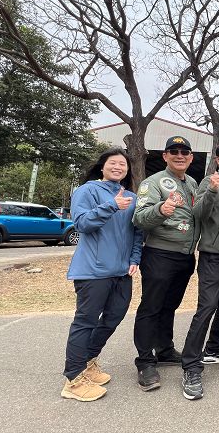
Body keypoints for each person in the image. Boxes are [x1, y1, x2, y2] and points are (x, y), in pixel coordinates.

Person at [61, 147, 142, 402]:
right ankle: (73, 379)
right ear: (102, 166)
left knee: (113, 317)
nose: (118, 167)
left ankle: (88, 362)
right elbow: (82, 223)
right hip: (93, 271)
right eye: (113, 163)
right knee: (85, 321)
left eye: (123, 165)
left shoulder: (131, 196)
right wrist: (111, 206)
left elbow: (136, 232)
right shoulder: (87, 190)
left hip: (122, 271)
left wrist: (134, 258)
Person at [132, 136, 199, 391]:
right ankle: (145, 362)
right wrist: (161, 209)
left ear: (191, 157)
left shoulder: (192, 183)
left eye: (184, 151)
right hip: (160, 254)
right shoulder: (153, 183)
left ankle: (165, 349)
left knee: (169, 306)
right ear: (165, 156)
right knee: (151, 307)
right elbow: (139, 219)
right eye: (174, 151)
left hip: (185, 257)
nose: (179, 155)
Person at [180, 139, 219, 400]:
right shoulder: (211, 181)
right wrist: (212, 191)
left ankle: (214, 347)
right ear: (217, 158)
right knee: (207, 307)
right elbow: (198, 213)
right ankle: (191, 366)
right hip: (214, 256)